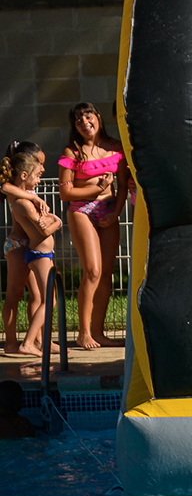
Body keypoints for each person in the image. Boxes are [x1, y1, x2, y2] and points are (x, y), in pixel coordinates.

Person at [57, 102, 127, 350]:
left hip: (109, 211)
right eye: (78, 120)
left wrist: (117, 212)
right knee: (93, 272)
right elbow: (65, 193)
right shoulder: (72, 152)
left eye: (88, 117)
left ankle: (98, 332)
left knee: (107, 274)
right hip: (81, 211)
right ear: (74, 126)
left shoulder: (114, 147)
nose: (84, 123)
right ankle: (83, 332)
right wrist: (95, 188)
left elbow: (121, 187)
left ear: (98, 117)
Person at [2, 152, 63, 358]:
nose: (41, 177)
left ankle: (41, 340)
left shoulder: (24, 197)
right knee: (15, 295)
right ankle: (15, 342)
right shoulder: (20, 199)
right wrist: (58, 220)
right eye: (38, 173)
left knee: (39, 296)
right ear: (24, 174)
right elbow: (6, 187)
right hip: (21, 246)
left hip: (31, 246)